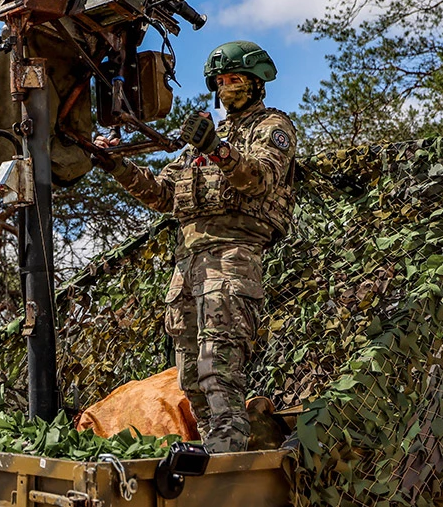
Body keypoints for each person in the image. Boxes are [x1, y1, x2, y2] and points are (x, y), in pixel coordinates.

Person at [93, 40, 297, 452]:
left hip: (232, 256)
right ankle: (213, 447)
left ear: (258, 83)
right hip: (188, 263)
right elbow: (163, 194)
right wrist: (116, 165)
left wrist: (216, 150)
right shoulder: (200, 143)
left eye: (235, 79)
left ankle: (230, 457)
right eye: (220, 81)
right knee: (189, 374)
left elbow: (256, 178)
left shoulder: (272, 128)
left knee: (218, 367)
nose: (227, 88)